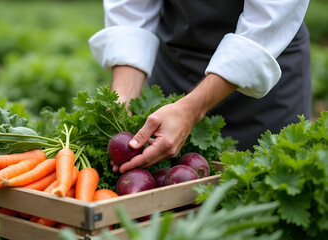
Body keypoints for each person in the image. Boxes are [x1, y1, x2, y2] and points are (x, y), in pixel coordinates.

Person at [88, 0, 312, 173]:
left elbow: (270, 18)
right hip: (178, 63)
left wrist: (189, 109)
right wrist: (121, 102)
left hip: (265, 66)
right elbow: (132, 12)